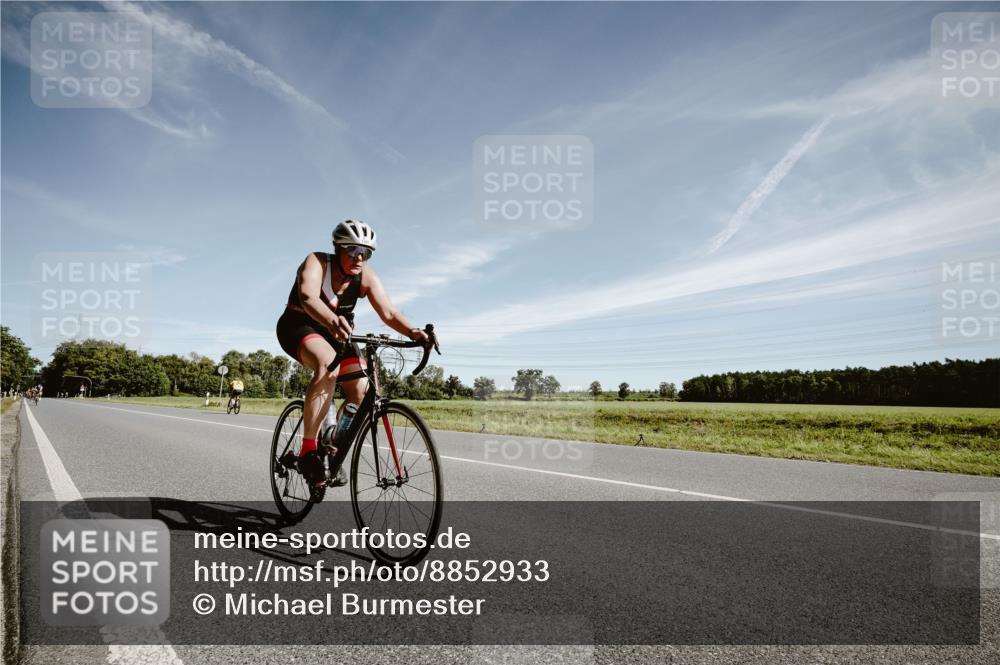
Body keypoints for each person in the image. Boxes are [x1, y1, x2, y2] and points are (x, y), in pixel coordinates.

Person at [275, 219, 430, 502]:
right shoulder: (317, 262)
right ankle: (309, 450)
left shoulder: (366, 276)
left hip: (339, 333)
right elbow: (308, 297)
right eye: (353, 250)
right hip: (299, 325)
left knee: (361, 390)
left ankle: (331, 444)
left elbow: (390, 313)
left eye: (366, 252)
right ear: (337, 248)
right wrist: (332, 319)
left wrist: (413, 331)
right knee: (326, 364)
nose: (360, 258)